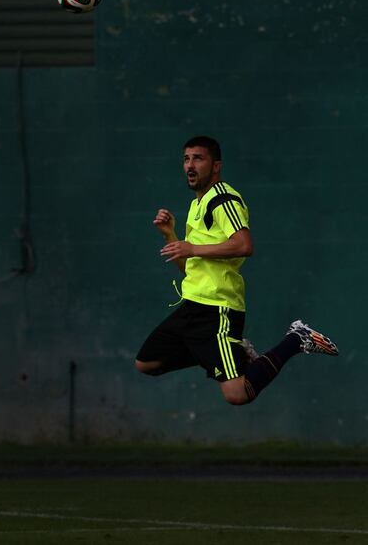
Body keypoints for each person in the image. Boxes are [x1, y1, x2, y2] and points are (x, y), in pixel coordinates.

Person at [135, 136, 338, 405]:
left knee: (237, 394)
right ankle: (233, 354)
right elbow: (190, 268)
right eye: (186, 159)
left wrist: (193, 249)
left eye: (198, 158)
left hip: (217, 310)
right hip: (192, 307)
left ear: (216, 166)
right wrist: (170, 235)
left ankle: (296, 339)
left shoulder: (223, 199)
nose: (190, 165)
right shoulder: (198, 205)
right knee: (147, 363)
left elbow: (244, 245)